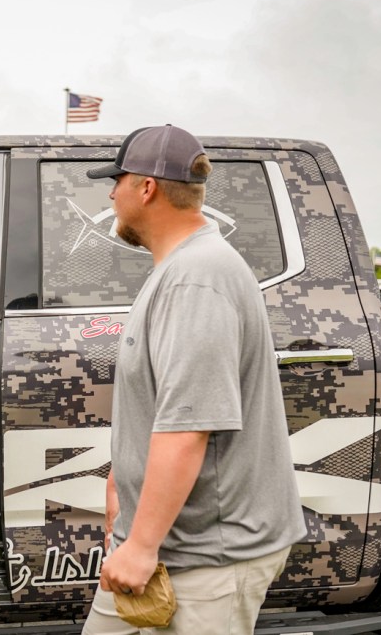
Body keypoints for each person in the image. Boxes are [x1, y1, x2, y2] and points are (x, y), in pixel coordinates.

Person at [81, 125, 306, 634]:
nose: (111, 195)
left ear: (146, 187)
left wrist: (141, 545)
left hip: (206, 560)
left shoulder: (197, 278)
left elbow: (188, 427)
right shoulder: (181, 269)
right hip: (162, 547)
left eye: (116, 181)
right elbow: (164, 402)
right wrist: (124, 487)